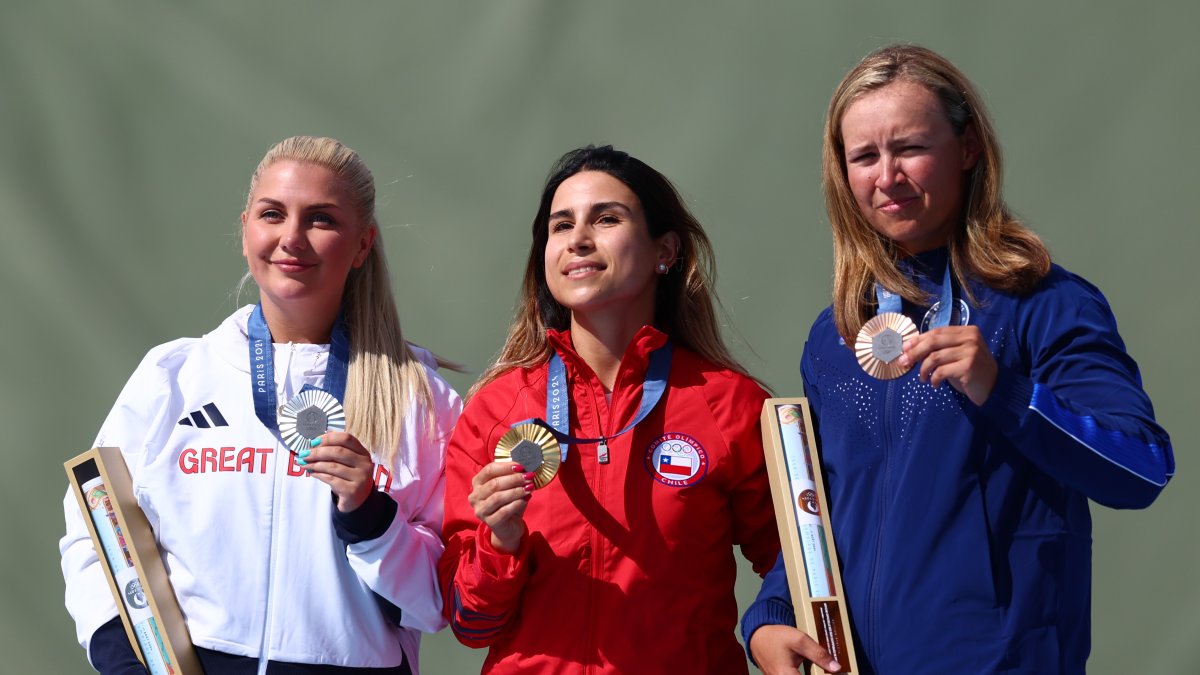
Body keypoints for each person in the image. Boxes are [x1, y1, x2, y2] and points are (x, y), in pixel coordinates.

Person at [741, 44, 1175, 674]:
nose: (887, 176)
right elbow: (822, 506)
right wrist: (773, 612)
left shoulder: (1042, 303)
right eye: (864, 156)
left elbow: (1141, 470)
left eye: (910, 147)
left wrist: (1006, 392)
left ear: (968, 148)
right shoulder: (837, 335)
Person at [60, 136, 461, 674]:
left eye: (321, 219)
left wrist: (371, 516)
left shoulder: (420, 401)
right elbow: (95, 535)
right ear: (246, 227)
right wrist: (128, 665)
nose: (291, 237)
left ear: (362, 245)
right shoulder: (173, 376)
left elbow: (440, 599)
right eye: (273, 214)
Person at [438, 145, 780, 674]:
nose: (578, 238)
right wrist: (499, 542)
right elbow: (469, 625)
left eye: (606, 219)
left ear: (665, 249)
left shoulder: (729, 404)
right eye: (561, 225)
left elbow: (795, 565)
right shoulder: (496, 408)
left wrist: (770, 624)